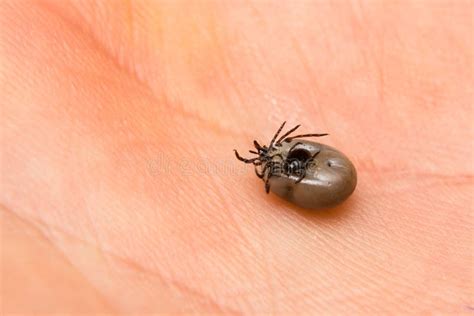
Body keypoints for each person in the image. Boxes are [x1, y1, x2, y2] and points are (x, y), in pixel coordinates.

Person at [1, 0, 472, 313]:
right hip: (309, 174)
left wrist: (284, 164)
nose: (273, 150)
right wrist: (283, 167)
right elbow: (289, 158)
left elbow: (292, 152)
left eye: (278, 149)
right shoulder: (281, 163)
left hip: (310, 172)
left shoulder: (284, 158)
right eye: (270, 157)